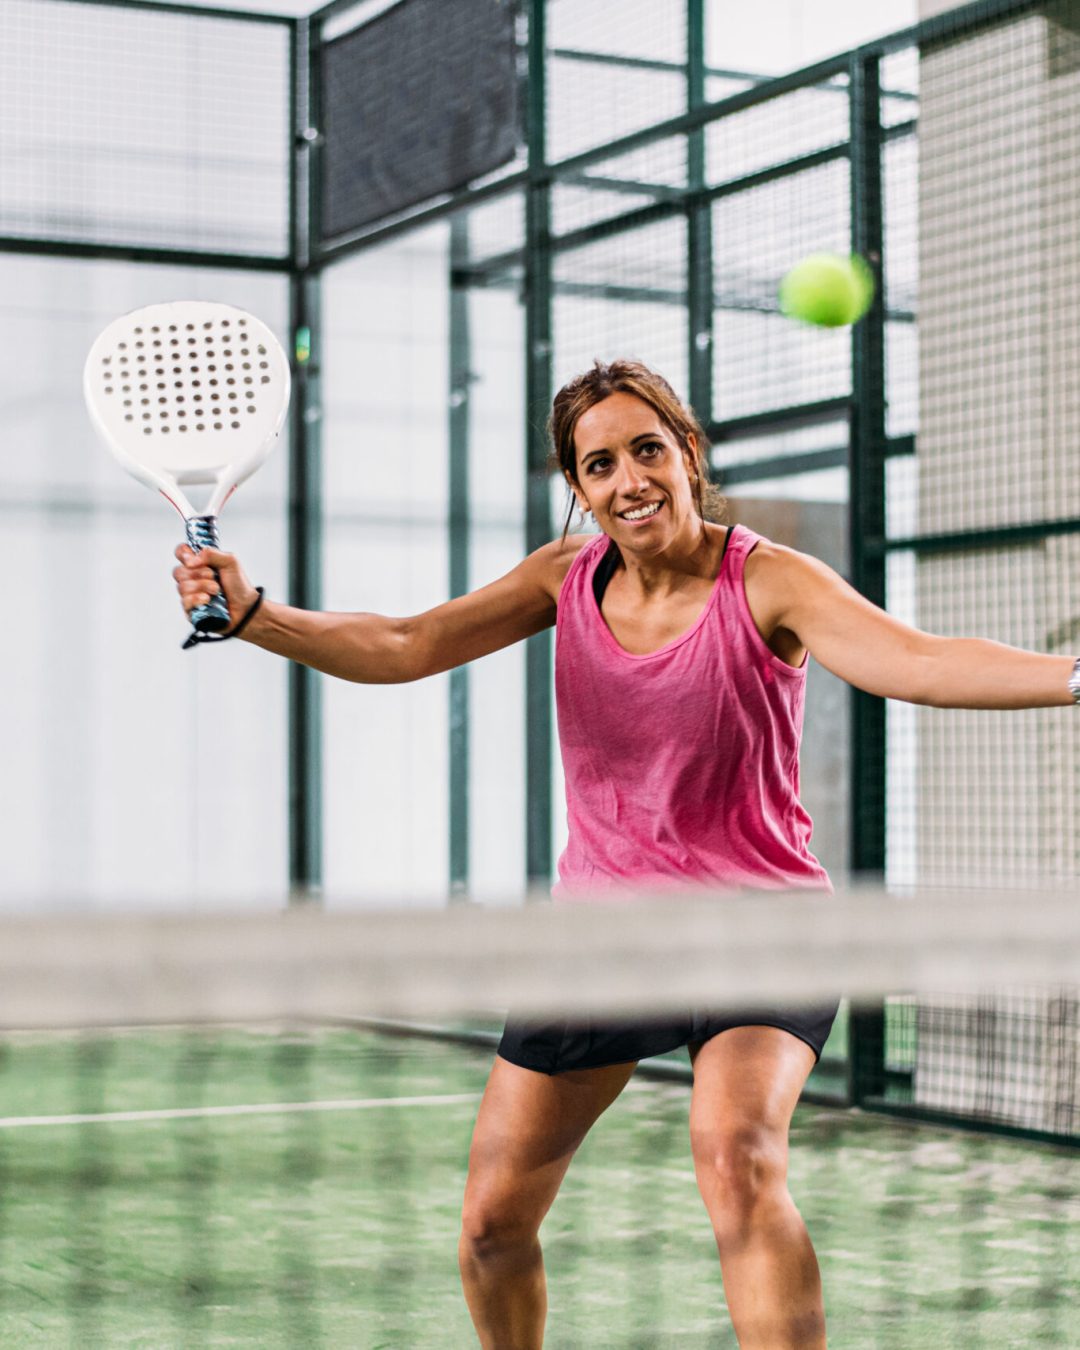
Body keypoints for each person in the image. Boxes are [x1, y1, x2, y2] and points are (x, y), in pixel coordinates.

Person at [173, 359, 1078, 1349]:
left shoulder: (769, 578)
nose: (629, 478)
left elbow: (920, 660)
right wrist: (259, 618)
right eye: (599, 464)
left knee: (737, 1156)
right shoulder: (563, 579)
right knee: (489, 1228)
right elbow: (406, 641)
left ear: (687, 454)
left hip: (762, 929)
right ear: (579, 489)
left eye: (647, 448)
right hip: (604, 939)